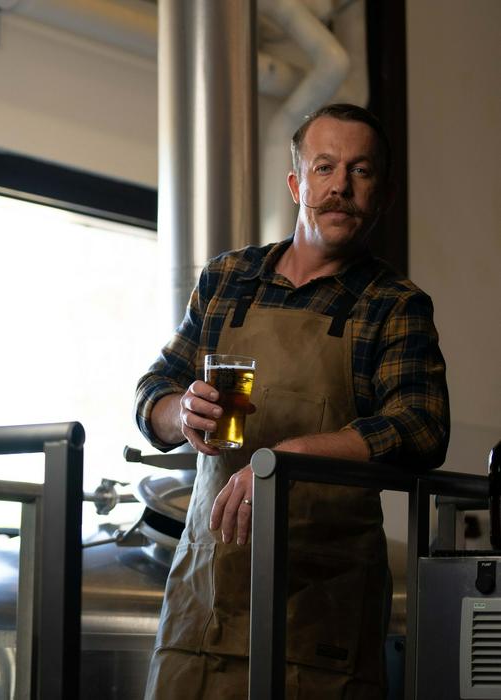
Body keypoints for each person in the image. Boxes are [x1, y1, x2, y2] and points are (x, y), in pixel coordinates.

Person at [136, 103, 449, 699]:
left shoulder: (393, 304)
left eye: (360, 171)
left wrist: (289, 460)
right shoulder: (227, 278)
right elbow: (153, 390)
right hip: (205, 603)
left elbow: (422, 427)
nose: (340, 186)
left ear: (382, 194)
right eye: (324, 167)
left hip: (319, 617)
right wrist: (181, 412)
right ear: (296, 183)